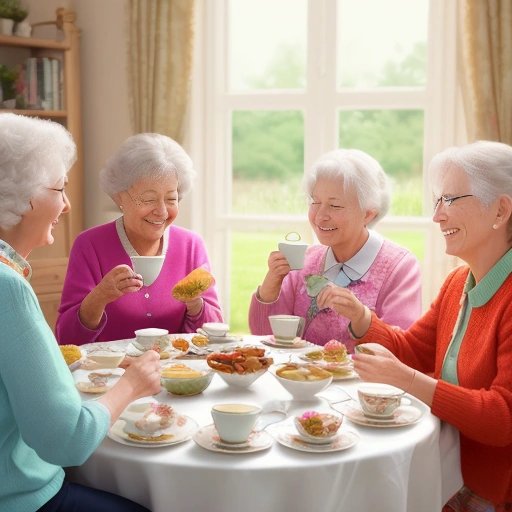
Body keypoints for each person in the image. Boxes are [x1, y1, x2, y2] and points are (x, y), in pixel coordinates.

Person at [318, 141, 512, 510]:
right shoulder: (459, 282)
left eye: (451, 200)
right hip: (445, 476)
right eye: (437, 201)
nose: (437, 216)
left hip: (493, 494)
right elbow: (412, 351)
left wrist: (406, 380)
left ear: (500, 210)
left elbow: (504, 417)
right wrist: (361, 317)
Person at [0, 113, 161, 511]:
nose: (67, 205)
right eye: (59, 189)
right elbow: (68, 440)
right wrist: (133, 384)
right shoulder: (8, 288)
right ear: (23, 197)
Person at [56, 133, 223, 345]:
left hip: (176, 373)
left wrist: (196, 305)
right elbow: (66, 338)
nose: (162, 212)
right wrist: (99, 297)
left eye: (171, 199)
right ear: (119, 197)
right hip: (111, 375)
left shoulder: (191, 245)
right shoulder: (89, 245)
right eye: (149, 199)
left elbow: (215, 335)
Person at [248, 148, 422, 351]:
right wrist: (272, 283)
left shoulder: (399, 267)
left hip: (360, 383)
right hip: (301, 381)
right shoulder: (305, 261)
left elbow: (399, 351)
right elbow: (263, 337)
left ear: (368, 214)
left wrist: (360, 317)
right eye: (315, 202)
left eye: (335, 206)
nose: (320, 216)